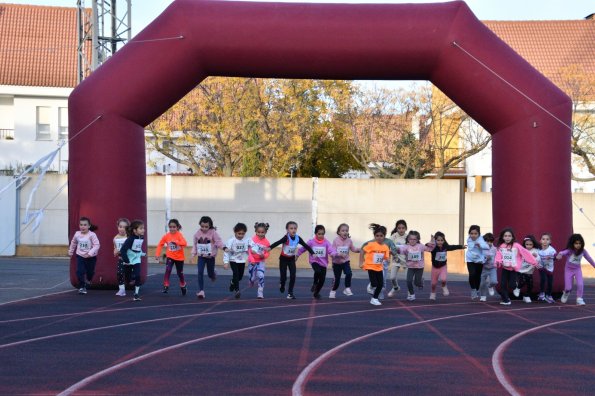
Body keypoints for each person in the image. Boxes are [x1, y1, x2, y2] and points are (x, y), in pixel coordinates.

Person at [269, 221, 314, 299]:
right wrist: (269, 248)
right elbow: (278, 242)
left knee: (293, 276)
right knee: (284, 277)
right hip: (283, 259)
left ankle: (290, 293)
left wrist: (312, 253)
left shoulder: (298, 238)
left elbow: (306, 246)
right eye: (291, 228)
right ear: (287, 230)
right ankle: (282, 284)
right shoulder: (286, 238)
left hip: (291, 259)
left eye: (295, 228)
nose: (293, 230)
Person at [494, 228, 537, 305]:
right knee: (503, 284)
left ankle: (516, 286)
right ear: (503, 237)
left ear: (512, 237)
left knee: (512, 285)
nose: (507, 237)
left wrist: (533, 261)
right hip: (505, 268)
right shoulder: (501, 246)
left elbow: (525, 253)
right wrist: (498, 262)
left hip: (513, 269)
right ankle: (506, 300)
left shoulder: (516, 245)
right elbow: (498, 256)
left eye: (509, 236)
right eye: (505, 236)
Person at [297, 225, 336, 300]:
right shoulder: (311, 242)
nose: (321, 235)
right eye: (319, 234)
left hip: (323, 263)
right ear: (315, 233)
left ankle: (316, 293)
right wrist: (297, 255)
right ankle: (314, 283)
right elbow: (303, 248)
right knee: (317, 271)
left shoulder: (326, 242)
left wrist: (334, 254)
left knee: (322, 280)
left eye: (322, 234)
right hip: (314, 261)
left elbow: (331, 250)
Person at [191, 216, 225, 299]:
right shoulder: (197, 234)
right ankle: (201, 291)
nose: (204, 228)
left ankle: (213, 274)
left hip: (210, 257)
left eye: (206, 227)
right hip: (201, 256)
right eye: (202, 226)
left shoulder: (213, 232)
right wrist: (193, 254)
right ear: (200, 225)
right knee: (200, 272)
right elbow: (195, 245)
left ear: (210, 226)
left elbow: (218, 241)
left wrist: (224, 248)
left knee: (210, 274)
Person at [556, 234, 595, 306]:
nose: (578, 245)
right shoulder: (569, 251)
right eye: (576, 243)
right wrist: (559, 255)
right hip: (568, 270)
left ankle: (579, 299)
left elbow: (589, 259)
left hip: (577, 270)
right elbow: (562, 252)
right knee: (568, 287)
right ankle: (566, 293)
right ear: (572, 243)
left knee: (580, 284)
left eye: (580, 243)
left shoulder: (583, 251)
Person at [396, 230, 435, 301]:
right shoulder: (406, 247)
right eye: (411, 239)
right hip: (410, 267)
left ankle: (420, 282)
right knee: (408, 281)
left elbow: (430, 249)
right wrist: (395, 249)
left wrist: (432, 242)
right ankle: (412, 294)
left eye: (414, 239)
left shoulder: (421, 246)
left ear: (417, 240)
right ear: (408, 239)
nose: (412, 241)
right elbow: (400, 251)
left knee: (417, 283)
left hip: (419, 267)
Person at [359, 223, 391, 306]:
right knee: (374, 283)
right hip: (370, 266)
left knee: (381, 284)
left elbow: (386, 257)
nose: (379, 237)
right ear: (374, 236)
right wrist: (361, 262)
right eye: (377, 236)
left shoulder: (385, 247)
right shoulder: (371, 245)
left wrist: (387, 259)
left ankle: (374, 299)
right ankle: (370, 287)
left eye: (381, 236)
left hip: (379, 267)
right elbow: (362, 251)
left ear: (384, 236)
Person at [155, 219, 188, 296]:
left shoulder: (179, 235)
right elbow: (160, 244)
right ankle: (166, 285)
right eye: (170, 227)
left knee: (180, 273)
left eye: (174, 227)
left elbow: (185, 243)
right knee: (168, 269)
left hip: (179, 258)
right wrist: (157, 254)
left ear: (177, 227)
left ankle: (183, 284)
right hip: (170, 256)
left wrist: (177, 242)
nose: (172, 229)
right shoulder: (166, 236)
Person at [428, 231, 465, 301]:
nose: (440, 242)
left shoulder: (445, 247)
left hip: (443, 266)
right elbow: (427, 245)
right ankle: (433, 293)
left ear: (444, 241)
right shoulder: (433, 248)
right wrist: (431, 242)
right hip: (435, 268)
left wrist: (461, 246)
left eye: (442, 240)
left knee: (444, 279)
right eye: (438, 240)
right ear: (435, 241)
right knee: (433, 283)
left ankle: (444, 286)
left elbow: (452, 247)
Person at [68, 217, 100, 295]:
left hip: (90, 257)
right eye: (81, 225)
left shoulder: (92, 235)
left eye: (85, 225)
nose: (82, 227)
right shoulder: (77, 234)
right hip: (80, 256)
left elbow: (97, 245)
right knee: (80, 271)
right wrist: (71, 252)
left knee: (90, 272)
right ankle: (82, 287)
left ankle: (88, 280)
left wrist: (89, 253)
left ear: (89, 226)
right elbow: (73, 243)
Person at [330, 223, 360, 298]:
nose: (345, 232)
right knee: (337, 280)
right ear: (339, 232)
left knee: (349, 273)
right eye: (343, 230)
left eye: (346, 230)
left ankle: (347, 288)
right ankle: (333, 291)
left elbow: (353, 249)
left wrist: (361, 250)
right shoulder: (335, 241)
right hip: (336, 263)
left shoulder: (349, 241)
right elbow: (332, 252)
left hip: (345, 261)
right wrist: (339, 254)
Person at [119, 220, 146, 301]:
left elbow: (138, 248)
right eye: (141, 228)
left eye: (143, 228)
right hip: (128, 261)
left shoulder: (141, 237)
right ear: (135, 230)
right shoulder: (130, 239)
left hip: (136, 260)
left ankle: (136, 294)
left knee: (137, 276)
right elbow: (123, 250)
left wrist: (143, 254)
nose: (143, 230)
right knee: (128, 278)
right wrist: (126, 260)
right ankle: (129, 280)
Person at [223, 223, 250, 299]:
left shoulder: (246, 240)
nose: (241, 235)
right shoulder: (231, 241)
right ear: (235, 232)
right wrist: (226, 262)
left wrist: (252, 257)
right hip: (233, 260)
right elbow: (226, 251)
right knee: (236, 273)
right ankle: (237, 290)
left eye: (243, 234)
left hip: (241, 260)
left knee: (240, 277)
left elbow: (249, 249)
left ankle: (232, 282)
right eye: (239, 233)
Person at [247, 222, 271, 299]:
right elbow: (249, 252)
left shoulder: (267, 242)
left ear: (266, 232)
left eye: (262, 232)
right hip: (252, 261)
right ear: (256, 231)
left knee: (261, 276)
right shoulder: (252, 240)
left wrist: (263, 255)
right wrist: (252, 260)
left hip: (261, 262)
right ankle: (251, 281)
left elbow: (267, 253)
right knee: (253, 277)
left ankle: (260, 293)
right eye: (258, 232)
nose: (260, 234)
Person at [515, 235, 541, 303]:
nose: (528, 246)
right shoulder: (522, 250)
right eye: (527, 244)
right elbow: (517, 257)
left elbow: (538, 259)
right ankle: (517, 288)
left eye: (530, 244)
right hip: (521, 270)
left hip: (529, 271)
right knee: (522, 281)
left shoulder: (535, 251)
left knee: (530, 285)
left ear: (533, 244)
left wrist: (536, 256)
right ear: (524, 244)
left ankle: (526, 296)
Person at [465, 225, 489, 300]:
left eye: (475, 234)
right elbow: (471, 247)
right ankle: (473, 289)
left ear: (479, 234)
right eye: (471, 233)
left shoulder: (481, 239)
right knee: (472, 274)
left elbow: (487, 247)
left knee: (477, 276)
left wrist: (480, 245)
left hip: (479, 260)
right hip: (470, 259)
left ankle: (477, 289)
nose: (473, 235)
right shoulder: (468, 239)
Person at [388, 219, 408, 297]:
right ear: (397, 229)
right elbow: (387, 244)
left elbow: (415, 244)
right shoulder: (394, 236)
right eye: (399, 228)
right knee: (392, 277)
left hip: (406, 260)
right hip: (396, 259)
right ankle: (395, 287)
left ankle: (410, 293)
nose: (401, 230)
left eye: (403, 228)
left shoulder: (408, 237)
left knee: (408, 279)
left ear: (406, 228)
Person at [537, 233, 557, 303]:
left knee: (550, 282)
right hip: (541, 267)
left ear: (550, 241)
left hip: (549, 268)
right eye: (543, 239)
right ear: (540, 241)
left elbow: (555, 257)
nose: (545, 241)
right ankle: (542, 293)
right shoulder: (538, 250)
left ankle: (548, 295)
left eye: (547, 239)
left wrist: (552, 257)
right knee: (543, 278)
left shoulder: (551, 250)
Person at [113, 218, 130, 297]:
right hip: (121, 259)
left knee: (128, 275)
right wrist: (115, 252)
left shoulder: (129, 237)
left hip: (130, 259)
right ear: (117, 227)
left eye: (124, 227)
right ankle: (121, 289)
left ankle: (132, 282)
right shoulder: (115, 238)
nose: (122, 229)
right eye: (120, 226)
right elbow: (115, 249)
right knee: (119, 273)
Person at [478, 233, 497, 302]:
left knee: (494, 281)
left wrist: (497, 263)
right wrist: (485, 258)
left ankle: (490, 286)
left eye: (491, 241)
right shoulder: (481, 249)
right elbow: (479, 259)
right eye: (487, 241)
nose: (489, 243)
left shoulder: (495, 249)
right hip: (483, 268)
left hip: (492, 268)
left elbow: (497, 257)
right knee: (482, 283)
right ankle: (483, 296)